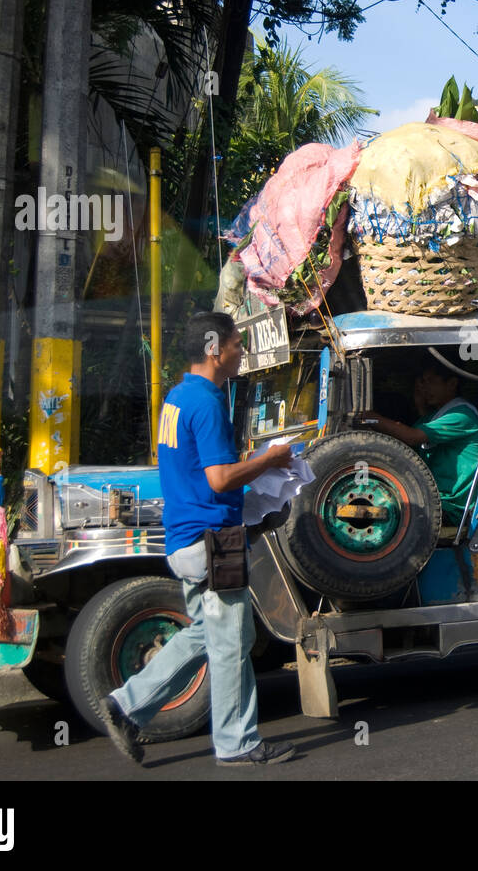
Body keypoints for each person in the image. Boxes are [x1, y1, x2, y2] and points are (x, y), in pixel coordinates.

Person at [99, 312, 300, 767]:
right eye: (235, 345)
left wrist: (255, 466)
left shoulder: (177, 397)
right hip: (214, 541)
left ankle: (127, 704)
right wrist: (269, 460)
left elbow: (201, 470)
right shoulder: (208, 401)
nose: (241, 353)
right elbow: (220, 478)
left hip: (187, 538)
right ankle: (237, 742)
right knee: (230, 642)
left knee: (213, 633)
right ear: (215, 350)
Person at [359, 355, 478, 525]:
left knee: (377, 515)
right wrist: (420, 405)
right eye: (423, 383)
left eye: (431, 382)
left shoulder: (461, 414)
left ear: (452, 384)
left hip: (452, 506)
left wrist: (371, 418)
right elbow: (409, 437)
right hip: (436, 497)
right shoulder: (437, 414)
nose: (425, 388)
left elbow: (411, 437)